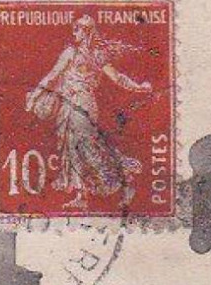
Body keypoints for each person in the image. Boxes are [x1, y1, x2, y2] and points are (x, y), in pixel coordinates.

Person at [25, 14, 154, 210]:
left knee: (87, 148)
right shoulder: (80, 53)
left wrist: (139, 87)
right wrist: (36, 94)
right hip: (71, 105)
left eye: (77, 29)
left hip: (81, 105)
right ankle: (82, 195)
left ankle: (123, 178)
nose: (74, 33)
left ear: (86, 32)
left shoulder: (86, 54)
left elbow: (117, 78)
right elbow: (52, 77)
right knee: (73, 149)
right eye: (74, 29)